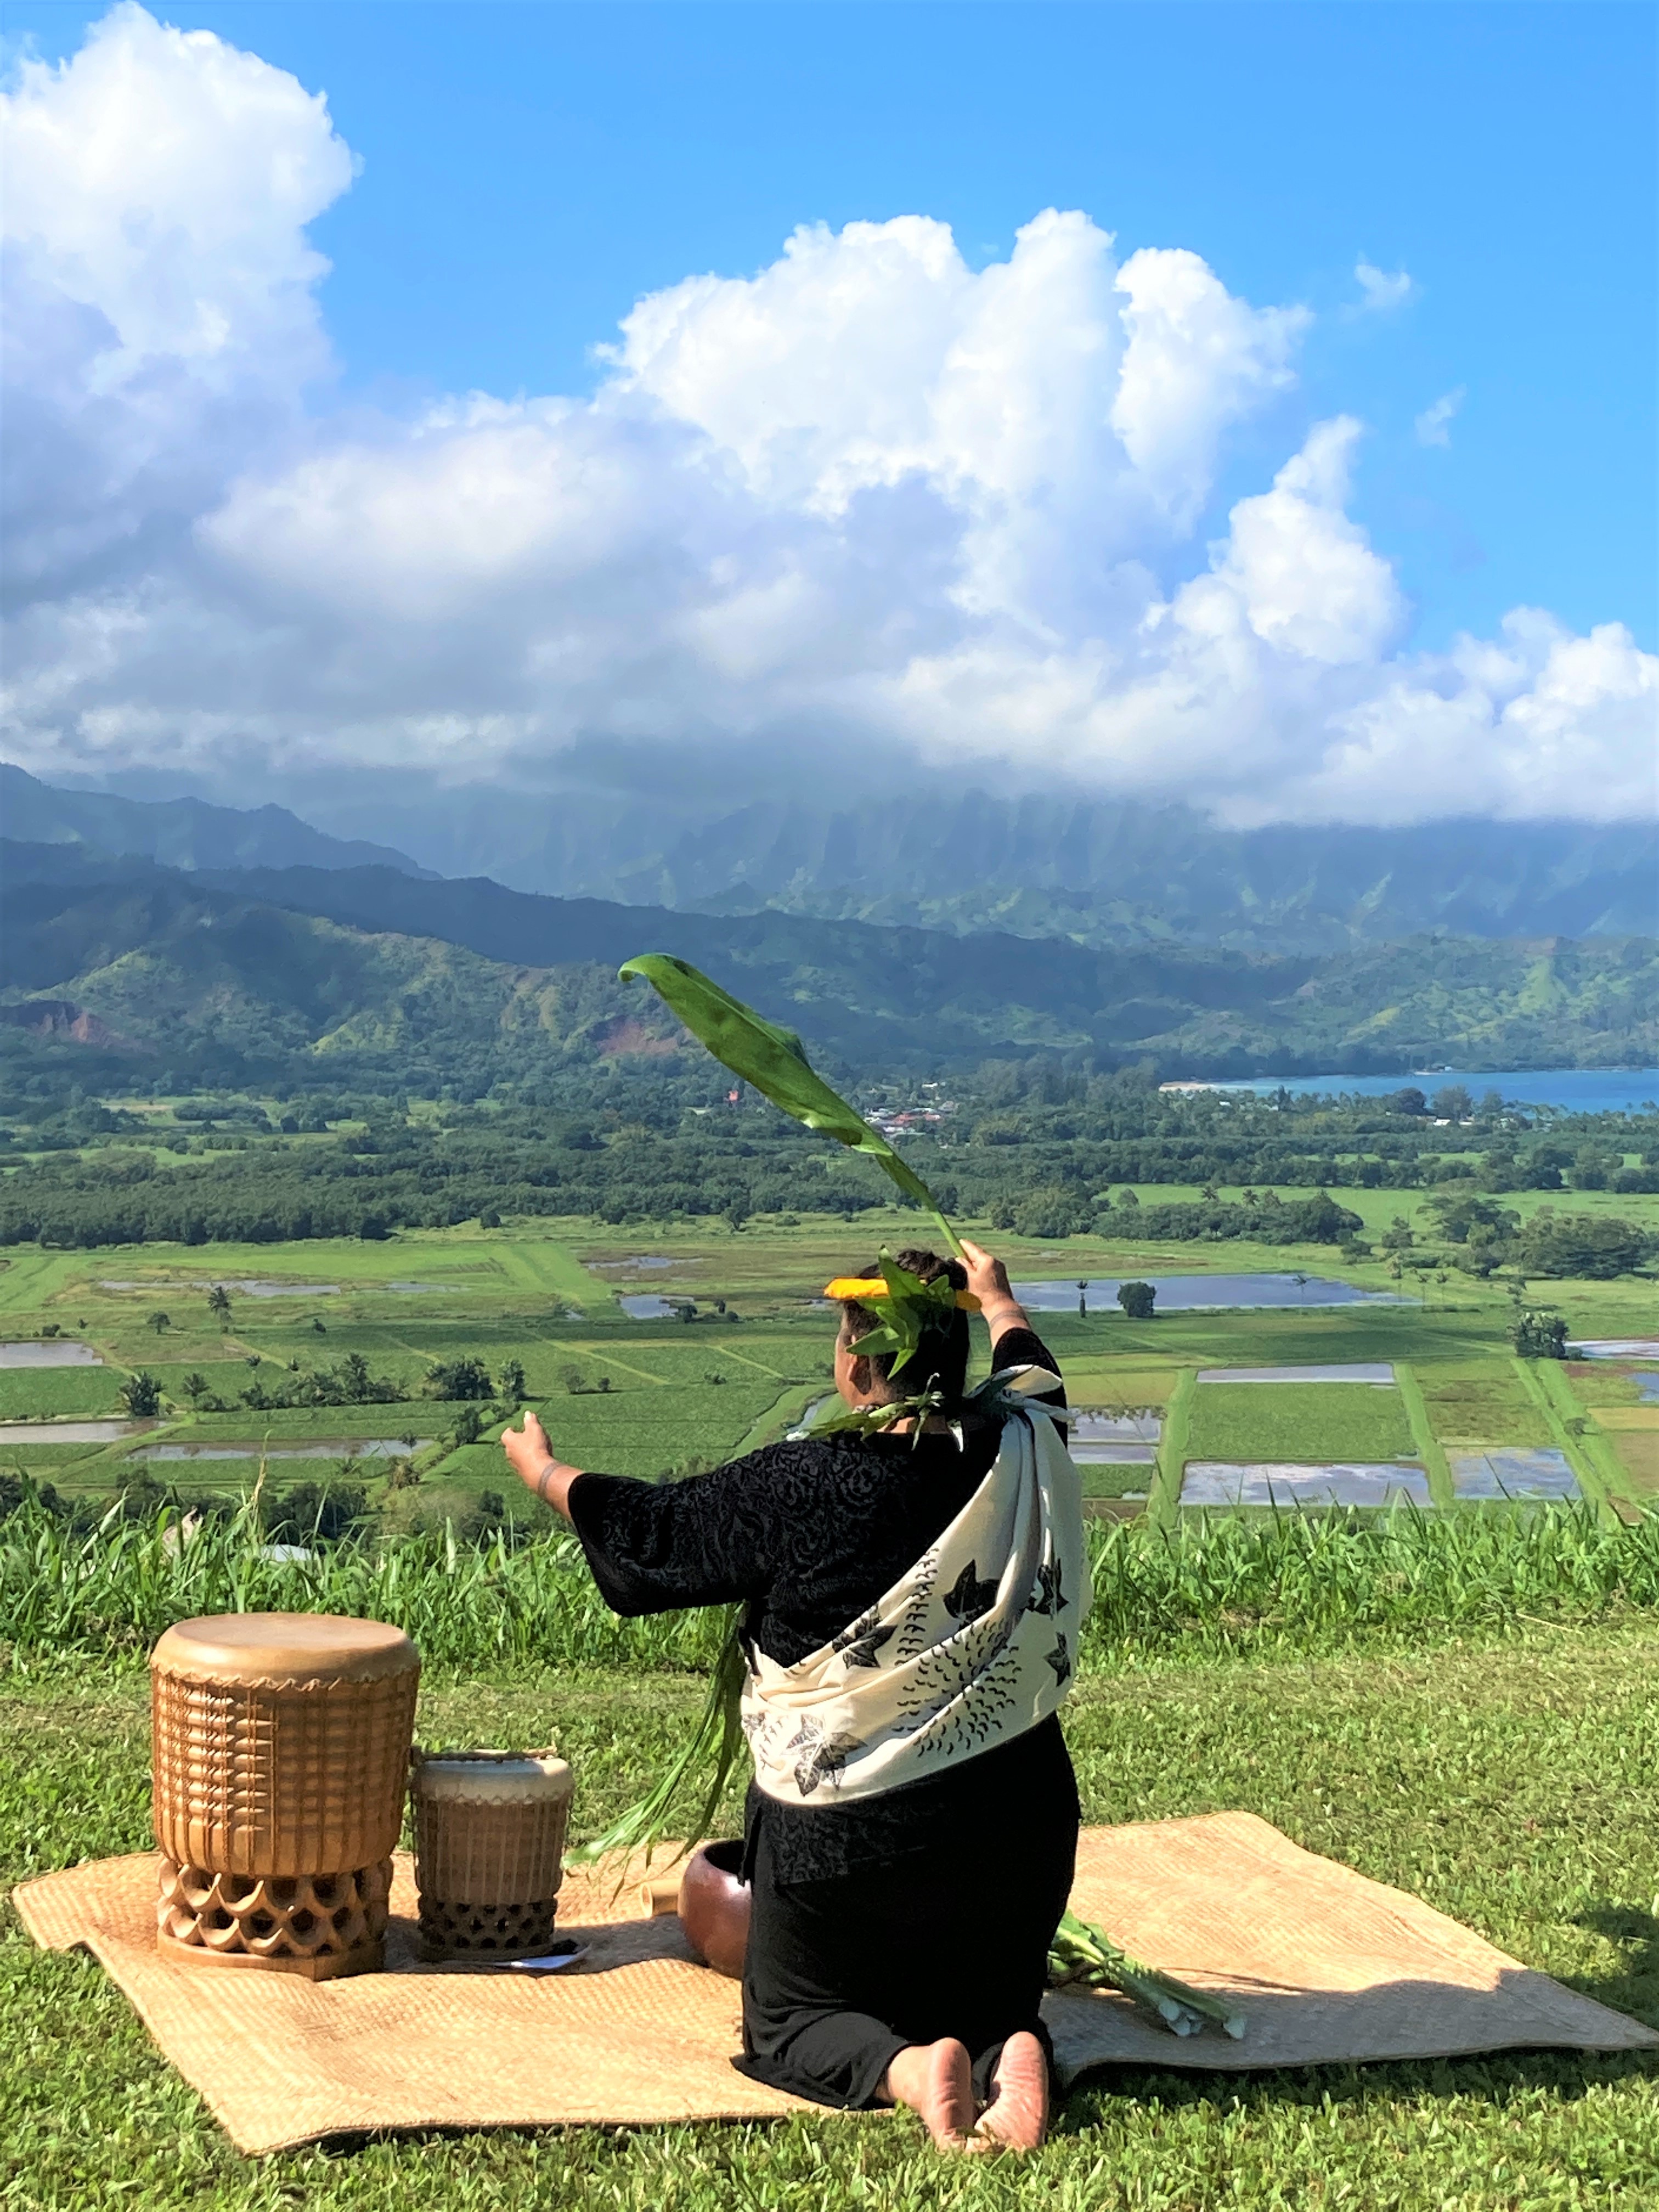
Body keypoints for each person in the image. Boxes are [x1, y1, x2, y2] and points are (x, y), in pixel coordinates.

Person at [501, 1237, 1084, 2153]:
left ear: (857, 1362)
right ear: (953, 1356)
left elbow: (654, 1537)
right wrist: (1001, 1300)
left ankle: (904, 2070)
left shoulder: (804, 1484)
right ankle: (1006, 2036)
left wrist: (543, 1473)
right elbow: (1032, 1371)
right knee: (989, 1986)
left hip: (850, 1847)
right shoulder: (1024, 1439)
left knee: (791, 2023)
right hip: (1019, 1835)